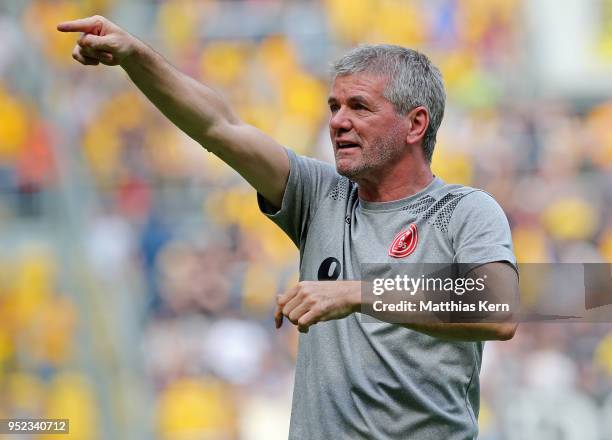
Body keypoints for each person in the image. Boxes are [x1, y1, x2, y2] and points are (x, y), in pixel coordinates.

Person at [58, 15, 519, 439]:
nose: (338, 121)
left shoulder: (465, 210)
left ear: (415, 123)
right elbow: (219, 126)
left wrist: (357, 292)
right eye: (334, 106)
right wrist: (137, 58)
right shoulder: (319, 195)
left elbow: (498, 309)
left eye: (359, 106)